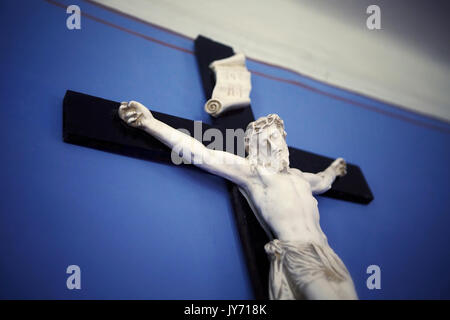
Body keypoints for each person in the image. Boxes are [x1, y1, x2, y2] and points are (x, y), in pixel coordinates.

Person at [118, 101, 358, 300]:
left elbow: (324, 181)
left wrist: (335, 170)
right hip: (299, 255)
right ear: (255, 147)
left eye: (280, 138)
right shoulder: (254, 174)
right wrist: (150, 123)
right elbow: (202, 154)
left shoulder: (300, 178)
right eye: (269, 140)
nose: (278, 145)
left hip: (328, 255)